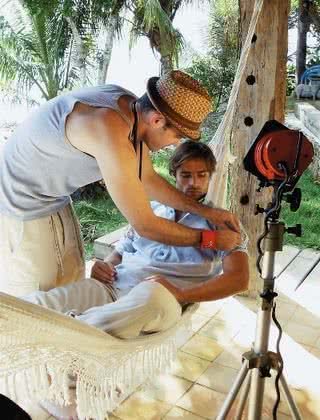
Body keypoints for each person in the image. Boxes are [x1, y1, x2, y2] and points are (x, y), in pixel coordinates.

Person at [0, 70, 241, 297]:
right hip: (19, 207)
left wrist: (208, 211)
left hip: (54, 198)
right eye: (177, 136)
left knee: (72, 282)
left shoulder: (131, 109)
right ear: (157, 120)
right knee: (41, 298)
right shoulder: (108, 127)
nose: (174, 144)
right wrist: (210, 239)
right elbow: (146, 225)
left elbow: (147, 180)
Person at [23, 141, 249, 340]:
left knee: (152, 295)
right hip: (115, 286)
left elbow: (239, 279)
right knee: (38, 305)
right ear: (174, 175)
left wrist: (182, 295)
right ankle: (38, 328)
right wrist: (106, 266)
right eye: (186, 175)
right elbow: (121, 251)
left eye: (202, 175)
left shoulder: (223, 223)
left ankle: (71, 332)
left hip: (161, 300)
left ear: (211, 176)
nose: (194, 183)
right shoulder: (151, 212)